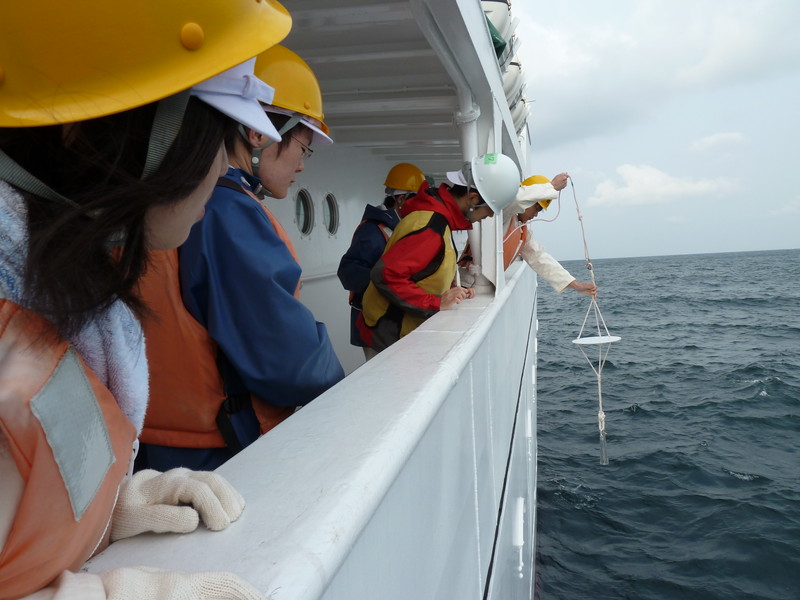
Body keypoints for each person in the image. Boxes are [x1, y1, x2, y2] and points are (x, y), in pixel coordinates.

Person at [0, 1, 291, 598]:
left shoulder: (55, 296)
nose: (225, 164)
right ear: (125, 136)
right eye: (219, 134)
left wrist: (110, 512)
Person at [136, 45, 345, 473]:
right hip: (218, 452)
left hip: (157, 444)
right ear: (257, 133)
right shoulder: (228, 211)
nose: (302, 167)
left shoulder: (177, 197)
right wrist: (345, 390)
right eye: (303, 149)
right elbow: (287, 359)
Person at [357, 153, 521, 354]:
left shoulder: (438, 219)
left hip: (393, 332)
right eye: (489, 210)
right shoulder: (431, 227)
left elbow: (423, 270)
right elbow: (385, 275)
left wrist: (452, 291)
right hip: (387, 335)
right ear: (473, 199)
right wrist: (436, 302)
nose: (487, 216)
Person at [337, 163, 427, 357]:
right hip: (375, 326)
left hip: (392, 322)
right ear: (401, 199)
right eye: (418, 200)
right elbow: (348, 272)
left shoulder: (400, 227)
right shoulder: (372, 231)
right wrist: (389, 281)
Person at [504, 173, 597, 296]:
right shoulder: (502, 214)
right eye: (537, 208)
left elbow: (539, 257)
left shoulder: (521, 231)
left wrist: (575, 285)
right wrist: (551, 187)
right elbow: (515, 199)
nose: (536, 215)